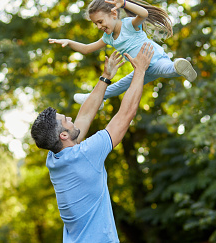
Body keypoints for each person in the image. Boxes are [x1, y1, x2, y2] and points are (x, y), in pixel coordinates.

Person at [31, 43, 154, 243]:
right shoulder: (85, 155)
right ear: (63, 135)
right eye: (66, 120)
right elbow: (125, 115)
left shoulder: (54, 158)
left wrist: (105, 77)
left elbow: (85, 115)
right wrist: (139, 71)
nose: (71, 119)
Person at [49, 0, 197, 109]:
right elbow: (87, 49)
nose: (99, 26)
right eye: (96, 24)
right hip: (140, 70)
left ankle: (179, 66)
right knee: (118, 87)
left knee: (166, 69)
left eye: (100, 22)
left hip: (154, 59)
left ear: (114, 14)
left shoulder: (129, 25)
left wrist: (124, 3)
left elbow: (144, 14)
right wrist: (69, 42)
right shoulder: (108, 38)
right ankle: (94, 98)